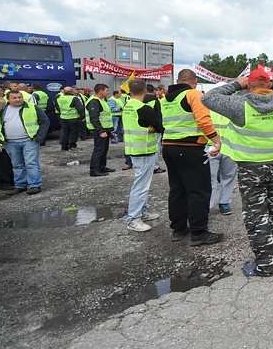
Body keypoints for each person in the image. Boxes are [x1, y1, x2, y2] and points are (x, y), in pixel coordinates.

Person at [202, 68, 273, 276]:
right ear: (269, 85)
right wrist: (272, 84)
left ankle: (265, 264)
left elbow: (209, 98)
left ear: (250, 85)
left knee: (257, 215)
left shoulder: (239, 105)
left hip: (251, 168)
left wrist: (238, 84)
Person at [161, 69, 223, 246]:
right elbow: (203, 120)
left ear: (177, 80)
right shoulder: (194, 94)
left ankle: (179, 229)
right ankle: (199, 232)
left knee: (177, 189)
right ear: (194, 81)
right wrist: (216, 141)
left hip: (169, 147)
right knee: (198, 190)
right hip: (189, 148)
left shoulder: (166, 98)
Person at [122, 79, 164, 232]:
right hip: (145, 150)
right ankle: (133, 218)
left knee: (142, 184)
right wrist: (154, 126)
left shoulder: (128, 106)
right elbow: (160, 125)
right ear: (146, 91)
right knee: (141, 186)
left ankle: (142, 212)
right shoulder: (143, 108)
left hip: (134, 148)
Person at [0, 90, 49, 195]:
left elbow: (45, 121)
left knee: (31, 163)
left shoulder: (33, 107)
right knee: (17, 165)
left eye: (19, 97)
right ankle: (20, 185)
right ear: (8, 99)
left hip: (29, 140)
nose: (18, 100)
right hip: (10, 142)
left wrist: (38, 137)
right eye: (14, 98)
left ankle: (34, 185)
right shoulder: (1, 111)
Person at [206, 107, 239, 216]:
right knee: (209, 177)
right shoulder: (208, 108)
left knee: (229, 176)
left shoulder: (234, 108)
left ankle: (224, 202)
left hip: (230, 147)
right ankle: (207, 205)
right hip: (211, 147)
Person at [86, 84, 114, 177]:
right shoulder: (94, 102)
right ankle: (94, 170)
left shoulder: (101, 100)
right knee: (99, 150)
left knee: (104, 149)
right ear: (100, 91)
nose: (108, 92)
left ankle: (102, 167)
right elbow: (94, 118)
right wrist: (100, 131)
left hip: (105, 129)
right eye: (107, 90)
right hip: (99, 130)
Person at [0, 97, 17, 192]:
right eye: (2, 104)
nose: (5, 106)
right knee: (0, 164)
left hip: (5, 142)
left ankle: (11, 181)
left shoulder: (2, 113)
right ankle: (4, 183)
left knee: (8, 162)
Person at [55, 86, 85, 151]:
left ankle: (64, 147)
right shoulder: (74, 98)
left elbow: (57, 107)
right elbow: (80, 109)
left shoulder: (60, 98)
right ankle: (72, 146)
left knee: (65, 133)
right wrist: (83, 117)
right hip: (74, 118)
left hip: (63, 118)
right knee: (74, 133)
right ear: (71, 91)